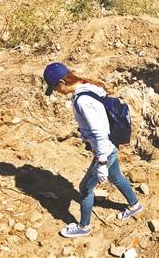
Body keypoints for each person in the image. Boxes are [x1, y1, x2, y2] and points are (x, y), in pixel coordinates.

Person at [43, 62, 143, 238]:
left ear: (61, 82)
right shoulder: (87, 86)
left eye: (55, 88)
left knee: (84, 189)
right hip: (111, 143)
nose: (57, 93)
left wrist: (102, 161)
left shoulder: (82, 100)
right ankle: (134, 205)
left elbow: (98, 131)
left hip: (105, 148)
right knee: (116, 176)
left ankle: (84, 226)